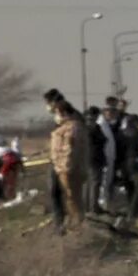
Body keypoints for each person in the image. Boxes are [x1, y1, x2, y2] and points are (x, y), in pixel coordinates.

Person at [41, 91, 92, 232]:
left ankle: (76, 224)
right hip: (57, 162)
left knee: (71, 197)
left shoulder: (73, 123)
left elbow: (70, 149)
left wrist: (64, 167)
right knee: (56, 193)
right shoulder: (61, 121)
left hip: (66, 166)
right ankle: (60, 222)